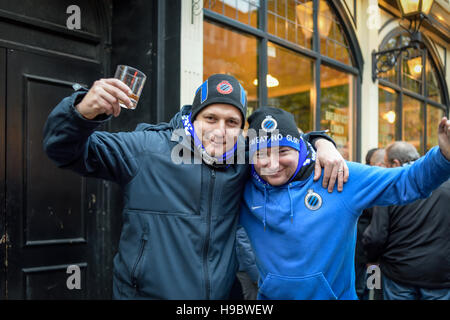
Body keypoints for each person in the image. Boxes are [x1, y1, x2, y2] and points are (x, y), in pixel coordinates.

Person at [43, 74, 347, 299]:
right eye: (210, 118)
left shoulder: (245, 158)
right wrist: (81, 111)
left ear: (241, 129)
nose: (219, 131)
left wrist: (322, 142)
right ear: (193, 117)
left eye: (231, 122)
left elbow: (286, 142)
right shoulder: (147, 149)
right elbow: (64, 151)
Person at [239, 106, 450, 300]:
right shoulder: (242, 186)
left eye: (283, 151)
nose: (272, 163)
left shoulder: (337, 175)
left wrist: (443, 157)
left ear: (300, 148)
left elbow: (407, 182)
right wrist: (320, 139)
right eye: (261, 154)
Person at [362, 142, 450, 300]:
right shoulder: (446, 182)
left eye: (387, 165)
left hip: (399, 275)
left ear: (395, 163)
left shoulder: (392, 187)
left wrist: (371, 260)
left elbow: (376, 236)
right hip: (440, 275)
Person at [354, 148, 385, 300]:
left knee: (371, 288)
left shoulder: (365, 183)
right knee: (365, 290)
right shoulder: (370, 186)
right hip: (365, 253)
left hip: (369, 252)